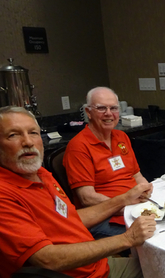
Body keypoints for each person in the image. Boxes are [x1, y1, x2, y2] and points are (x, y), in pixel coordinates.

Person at [0, 106, 165, 278]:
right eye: (13, 135)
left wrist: (122, 200)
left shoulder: (40, 174)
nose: (27, 142)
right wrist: (128, 239)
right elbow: (47, 260)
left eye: (33, 133)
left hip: (90, 268)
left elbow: (70, 219)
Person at [64, 87, 152, 239]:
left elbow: (137, 175)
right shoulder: (78, 146)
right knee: (154, 235)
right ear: (88, 112)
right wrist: (125, 205)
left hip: (133, 207)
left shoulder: (121, 137)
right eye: (101, 108)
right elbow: (87, 198)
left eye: (113, 108)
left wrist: (146, 190)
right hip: (104, 217)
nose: (109, 113)